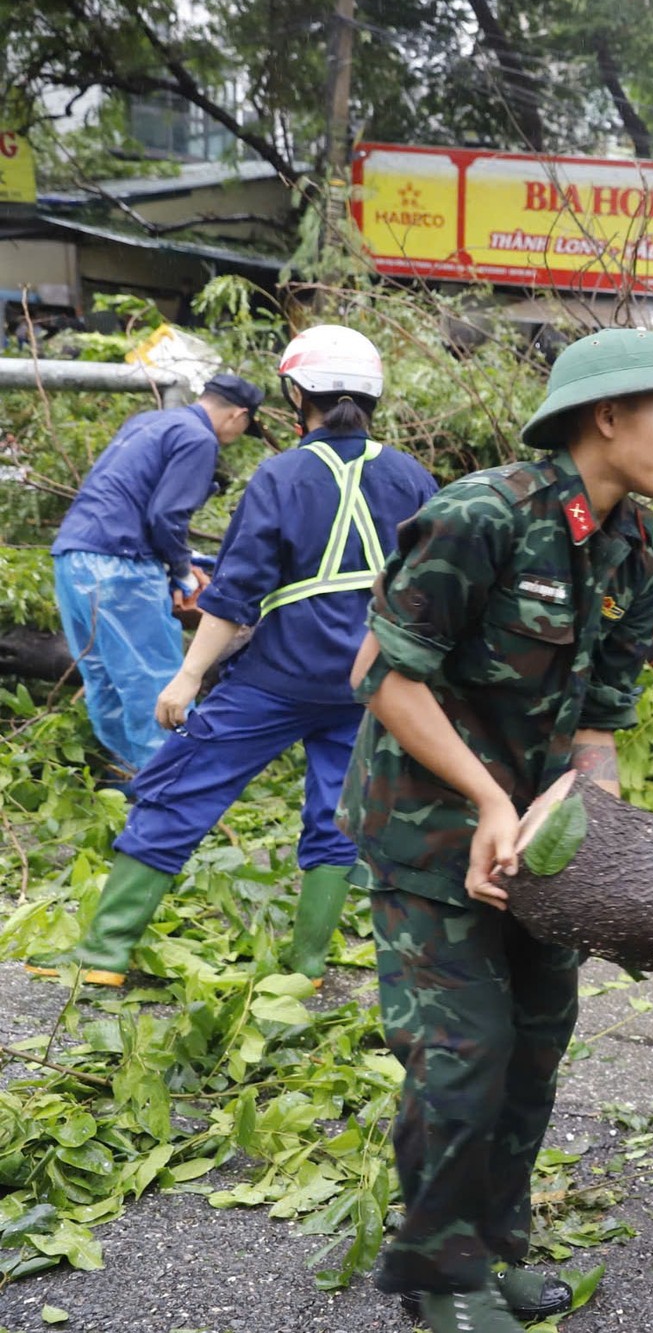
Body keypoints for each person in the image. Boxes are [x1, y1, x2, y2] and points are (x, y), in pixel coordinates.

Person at [341, 328, 653, 1333]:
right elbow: (381, 678)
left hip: (536, 853)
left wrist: (587, 823)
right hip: (426, 834)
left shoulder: (637, 550)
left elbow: (596, 727)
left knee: (535, 1050)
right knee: (465, 1055)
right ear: (607, 417)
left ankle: (493, 1248)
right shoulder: (483, 517)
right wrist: (490, 801)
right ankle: (439, 1275)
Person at [25, 326, 435, 990]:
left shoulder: (281, 473)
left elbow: (238, 592)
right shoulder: (414, 476)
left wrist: (187, 676)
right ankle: (304, 970)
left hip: (278, 678)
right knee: (338, 811)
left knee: (179, 787)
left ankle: (103, 953)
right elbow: (434, 585)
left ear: (296, 394)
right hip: (367, 681)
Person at [51, 373, 264, 773]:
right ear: (239, 415)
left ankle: (131, 782)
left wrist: (179, 562)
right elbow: (166, 516)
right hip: (121, 568)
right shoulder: (199, 439)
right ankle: (174, 789)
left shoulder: (148, 421)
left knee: (106, 682)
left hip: (72, 557)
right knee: (157, 683)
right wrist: (183, 571)